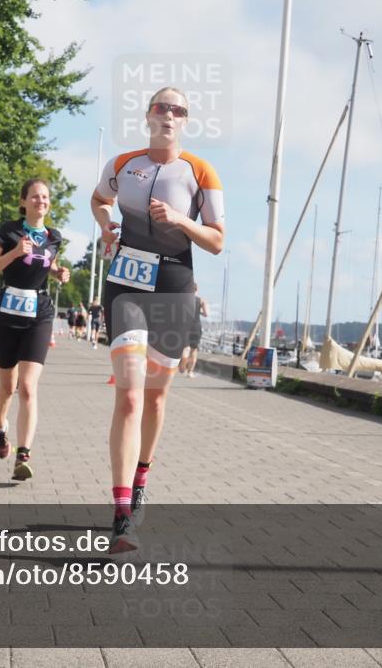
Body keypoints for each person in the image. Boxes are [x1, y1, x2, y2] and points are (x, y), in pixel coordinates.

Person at [91, 86, 224, 553]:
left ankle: (141, 475)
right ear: (148, 115)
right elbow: (98, 199)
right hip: (125, 283)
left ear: (185, 121)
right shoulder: (123, 163)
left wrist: (179, 221)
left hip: (173, 288)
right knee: (129, 396)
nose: (169, 114)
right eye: (162, 107)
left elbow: (217, 241)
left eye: (179, 110)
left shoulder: (200, 171)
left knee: (155, 399)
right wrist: (107, 223)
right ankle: (122, 511)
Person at [0, 178, 70, 480]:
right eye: (34, 196)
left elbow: (47, 264)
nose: (40, 201)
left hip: (39, 313)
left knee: (28, 387)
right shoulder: (9, 231)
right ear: (23, 202)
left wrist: (59, 272)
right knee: (8, 387)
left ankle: (23, 455)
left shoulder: (54, 237)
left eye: (45, 197)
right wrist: (14, 253)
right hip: (6, 313)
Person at [179, 285, 209, 377]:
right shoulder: (201, 301)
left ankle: (182, 366)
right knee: (194, 350)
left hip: (186, 326)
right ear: (197, 290)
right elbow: (206, 314)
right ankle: (190, 372)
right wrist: (198, 311)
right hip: (196, 327)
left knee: (185, 348)